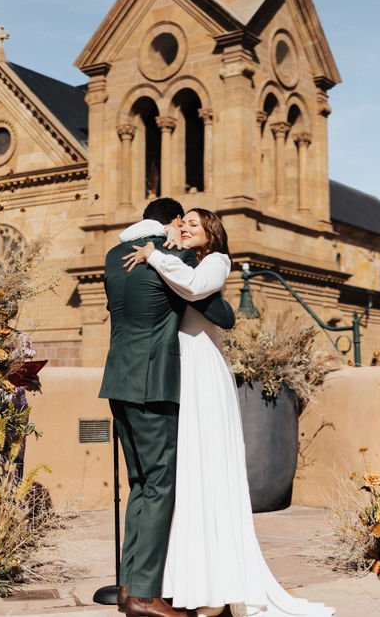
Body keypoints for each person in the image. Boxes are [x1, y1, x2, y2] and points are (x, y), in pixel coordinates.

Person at [124, 208, 334, 617]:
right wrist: (158, 242)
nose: (185, 227)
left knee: (209, 469)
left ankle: (217, 589)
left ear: (212, 234)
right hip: (176, 369)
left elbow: (194, 288)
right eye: (182, 222)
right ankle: (188, 583)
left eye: (194, 225)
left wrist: (153, 253)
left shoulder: (215, 263)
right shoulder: (175, 257)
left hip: (202, 370)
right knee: (185, 474)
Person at [100, 198, 236, 617]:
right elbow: (219, 311)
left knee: (140, 484)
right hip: (152, 385)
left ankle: (128, 586)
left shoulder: (112, 255)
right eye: (183, 222)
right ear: (173, 223)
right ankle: (144, 595)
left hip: (116, 380)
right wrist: (170, 250)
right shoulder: (169, 256)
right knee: (159, 485)